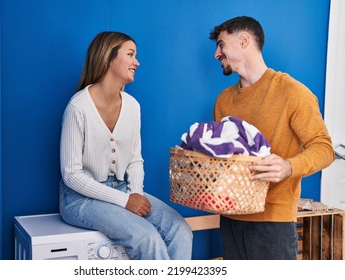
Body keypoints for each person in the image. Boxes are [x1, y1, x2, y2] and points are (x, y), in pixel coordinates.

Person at [59, 31, 193, 260]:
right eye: (130, 54)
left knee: (180, 229)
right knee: (147, 239)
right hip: (80, 199)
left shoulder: (133, 106)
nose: (137, 62)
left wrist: (136, 195)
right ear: (108, 58)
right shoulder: (78, 107)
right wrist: (125, 201)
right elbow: (71, 175)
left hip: (123, 189)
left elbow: (134, 159)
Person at [209, 16, 335, 260]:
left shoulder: (292, 92)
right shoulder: (223, 100)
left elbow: (324, 148)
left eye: (222, 44)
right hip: (230, 220)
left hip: (273, 223)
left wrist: (289, 166)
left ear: (244, 40)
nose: (217, 53)